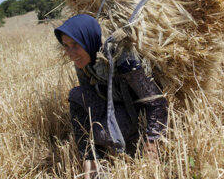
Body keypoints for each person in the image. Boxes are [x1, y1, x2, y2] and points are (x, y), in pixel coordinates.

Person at [54, 14, 168, 178]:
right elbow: (88, 96)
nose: (71, 53)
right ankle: (93, 161)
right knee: (77, 95)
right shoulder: (84, 62)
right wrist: (89, 154)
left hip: (135, 111)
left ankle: (130, 139)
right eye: (66, 46)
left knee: (103, 134)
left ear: (88, 40)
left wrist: (151, 143)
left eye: (75, 45)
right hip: (112, 104)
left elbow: (157, 102)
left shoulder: (123, 59)